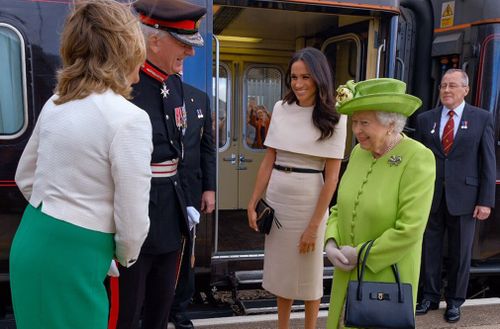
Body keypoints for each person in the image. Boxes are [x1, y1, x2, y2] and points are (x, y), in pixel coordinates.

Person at [9, 1, 151, 328]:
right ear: (124, 52)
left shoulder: (57, 103)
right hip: (76, 254)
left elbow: (25, 177)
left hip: (32, 238)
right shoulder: (130, 120)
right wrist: (117, 253)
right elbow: (132, 221)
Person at [112, 1, 207, 329]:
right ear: (154, 41)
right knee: (125, 310)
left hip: (172, 215)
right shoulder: (125, 85)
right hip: (134, 216)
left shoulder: (176, 85)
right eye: (183, 45)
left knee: (161, 308)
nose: (191, 54)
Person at [247, 47, 347, 329]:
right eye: (294, 77)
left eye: (306, 77)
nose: (299, 84)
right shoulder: (281, 108)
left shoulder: (336, 118)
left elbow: (332, 178)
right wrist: (254, 200)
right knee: (282, 274)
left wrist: (315, 225)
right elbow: (269, 158)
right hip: (278, 197)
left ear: (319, 78)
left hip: (310, 200)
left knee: (309, 275)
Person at [324, 78, 436, 329]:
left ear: (391, 124)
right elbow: (339, 208)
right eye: (354, 122)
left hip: (386, 277)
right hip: (346, 274)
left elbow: (410, 229)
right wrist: (330, 242)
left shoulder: (418, 158)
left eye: (365, 123)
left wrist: (361, 254)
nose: (357, 130)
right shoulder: (358, 153)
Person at [414, 69, 495, 323]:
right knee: (430, 249)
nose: (446, 90)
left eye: (452, 86)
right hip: (432, 195)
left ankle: (455, 302)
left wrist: (486, 200)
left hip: (466, 197)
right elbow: (418, 162)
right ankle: (428, 296)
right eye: (443, 86)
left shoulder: (481, 118)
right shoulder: (425, 120)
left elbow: (488, 162)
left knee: (461, 253)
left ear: (465, 90)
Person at [170, 82, 216, 329]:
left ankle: (179, 309)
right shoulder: (151, 91)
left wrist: (209, 188)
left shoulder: (199, 97)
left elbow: (207, 147)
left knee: (187, 253)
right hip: (162, 187)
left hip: (192, 189)